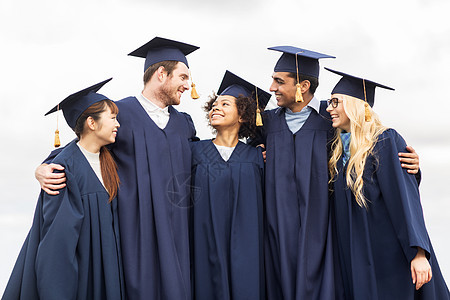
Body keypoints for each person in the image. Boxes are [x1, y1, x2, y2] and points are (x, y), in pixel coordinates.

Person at [251, 45, 421, 299]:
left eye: (278, 81)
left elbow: (368, 148)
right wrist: (256, 153)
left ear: (303, 86)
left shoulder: (328, 122)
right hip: (277, 233)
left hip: (324, 234)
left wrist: (413, 166)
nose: (271, 87)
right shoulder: (267, 123)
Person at [35, 37, 199, 300]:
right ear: (160, 74)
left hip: (178, 232)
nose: (187, 85)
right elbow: (81, 144)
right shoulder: (120, 113)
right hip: (134, 231)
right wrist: (44, 166)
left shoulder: (184, 124)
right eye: (182, 76)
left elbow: (204, 158)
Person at [325, 68, 450, 300]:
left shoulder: (385, 141)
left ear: (356, 106)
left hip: (388, 256)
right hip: (356, 256)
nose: (328, 108)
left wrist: (418, 253)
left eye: (335, 102)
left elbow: (404, 198)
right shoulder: (338, 149)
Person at [3, 79, 124, 300]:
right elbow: (56, 247)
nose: (118, 124)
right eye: (113, 118)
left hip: (106, 273)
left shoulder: (109, 160)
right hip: (82, 281)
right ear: (91, 122)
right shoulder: (63, 169)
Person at [190, 70, 270, 300]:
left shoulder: (256, 158)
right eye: (214, 104)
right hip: (204, 245)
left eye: (225, 104)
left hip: (247, 248)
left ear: (243, 115)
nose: (216, 107)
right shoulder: (194, 151)